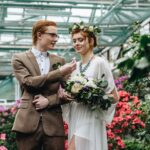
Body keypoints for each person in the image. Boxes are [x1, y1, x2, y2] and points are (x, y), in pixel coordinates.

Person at [11, 20, 76, 150]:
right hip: (26, 123)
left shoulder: (59, 61)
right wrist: (59, 72)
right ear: (39, 35)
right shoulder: (19, 58)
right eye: (52, 35)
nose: (55, 39)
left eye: (56, 36)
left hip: (54, 124)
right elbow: (28, 82)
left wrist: (49, 101)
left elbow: (71, 92)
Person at [62, 22, 120, 150]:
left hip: (91, 118)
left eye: (80, 40)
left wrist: (92, 96)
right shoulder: (74, 67)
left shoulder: (100, 63)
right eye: (74, 41)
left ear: (91, 41)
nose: (76, 43)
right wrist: (67, 95)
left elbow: (114, 96)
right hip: (76, 116)